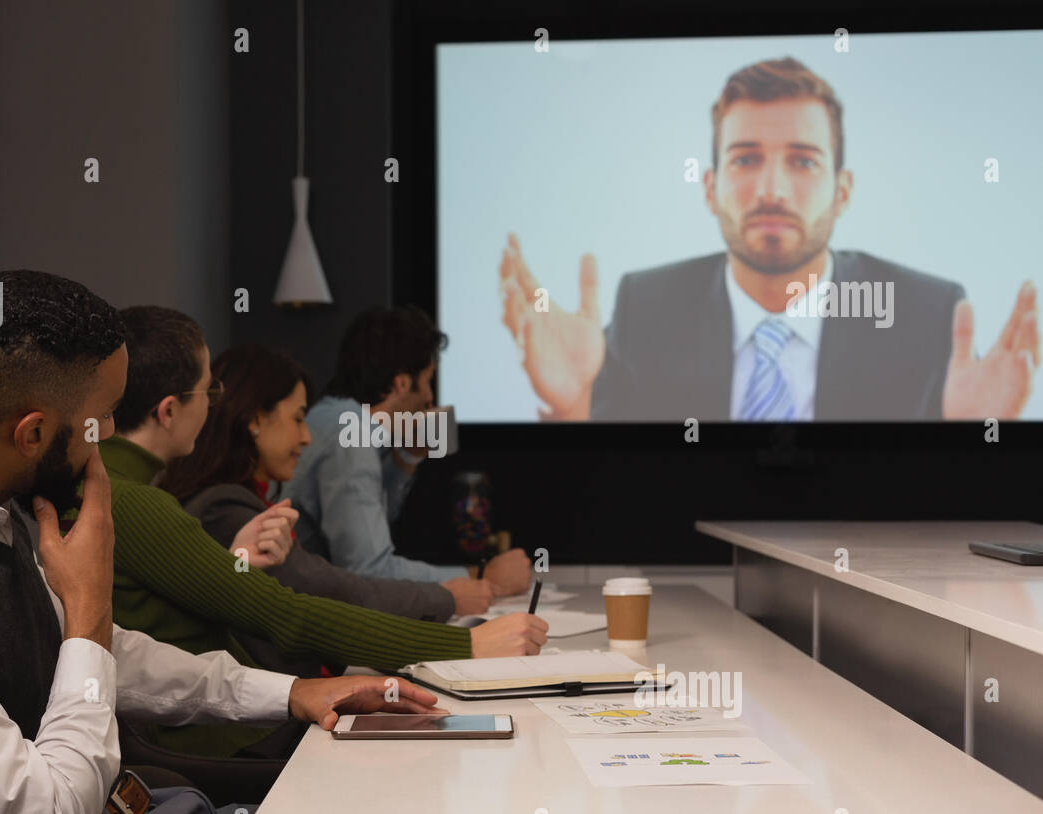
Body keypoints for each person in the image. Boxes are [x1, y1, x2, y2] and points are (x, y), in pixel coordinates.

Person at [0, 270, 447, 814]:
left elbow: (106, 657)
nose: (111, 430)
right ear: (31, 434)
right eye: (102, 416)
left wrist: (291, 694)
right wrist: (87, 612)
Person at [99, 306, 548, 757]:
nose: (216, 401)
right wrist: (464, 642)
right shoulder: (135, 502)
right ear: (170, 410)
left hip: (223, 728)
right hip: (222, 745)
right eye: (208, 389)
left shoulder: (127, 492)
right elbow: (290, 614)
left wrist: (233, 562)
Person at [500, 56, 1038, 422]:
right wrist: (573, 406)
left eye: (803, 161)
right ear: (710, 189)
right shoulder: (647, 308)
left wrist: (976, 434)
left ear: (843, 191)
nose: (772, 189)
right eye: (745, 159)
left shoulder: (922, 312)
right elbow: (611, 493)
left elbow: (930, 516)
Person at [166, 342, 457, 622]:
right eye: (298, 419)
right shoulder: (228, 511)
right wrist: (448, 597)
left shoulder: (237, 499)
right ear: (255, 420)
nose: (306, 437)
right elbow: (327, 591)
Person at [283, 304, 533, 596]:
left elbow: (368, 525)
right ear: (401, 383)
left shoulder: (337, 417)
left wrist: (408, 457)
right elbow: (369, 569)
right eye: (427, 382)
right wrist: (480, 575)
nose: (430, 397)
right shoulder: (350, 434)